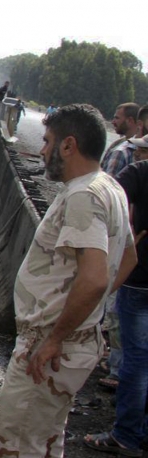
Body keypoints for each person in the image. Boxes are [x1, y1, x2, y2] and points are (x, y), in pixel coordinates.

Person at [0, 104, 136, 458]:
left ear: (69, 145)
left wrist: (57, 335)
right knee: (45, 447)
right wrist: (88, 318)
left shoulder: (82, 196)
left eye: (49, 143)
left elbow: (92, 278)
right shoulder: (110, 187)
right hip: (75, 344)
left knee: (15, 453)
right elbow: (128, 257)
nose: (42, 151)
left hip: (50, 347)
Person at [83, 135, 148, 458]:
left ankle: (126, 434)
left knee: (136, 359)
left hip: (139, 282)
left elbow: (106, 198)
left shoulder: (139, 173)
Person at [100, 101, 140, 387]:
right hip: (128, 241)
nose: (113, 121)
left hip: (118, 240)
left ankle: (117, 370)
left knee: (116, 309)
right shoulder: (126, 151)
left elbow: (106, 197)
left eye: (117, 117)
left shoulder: (123, 155)